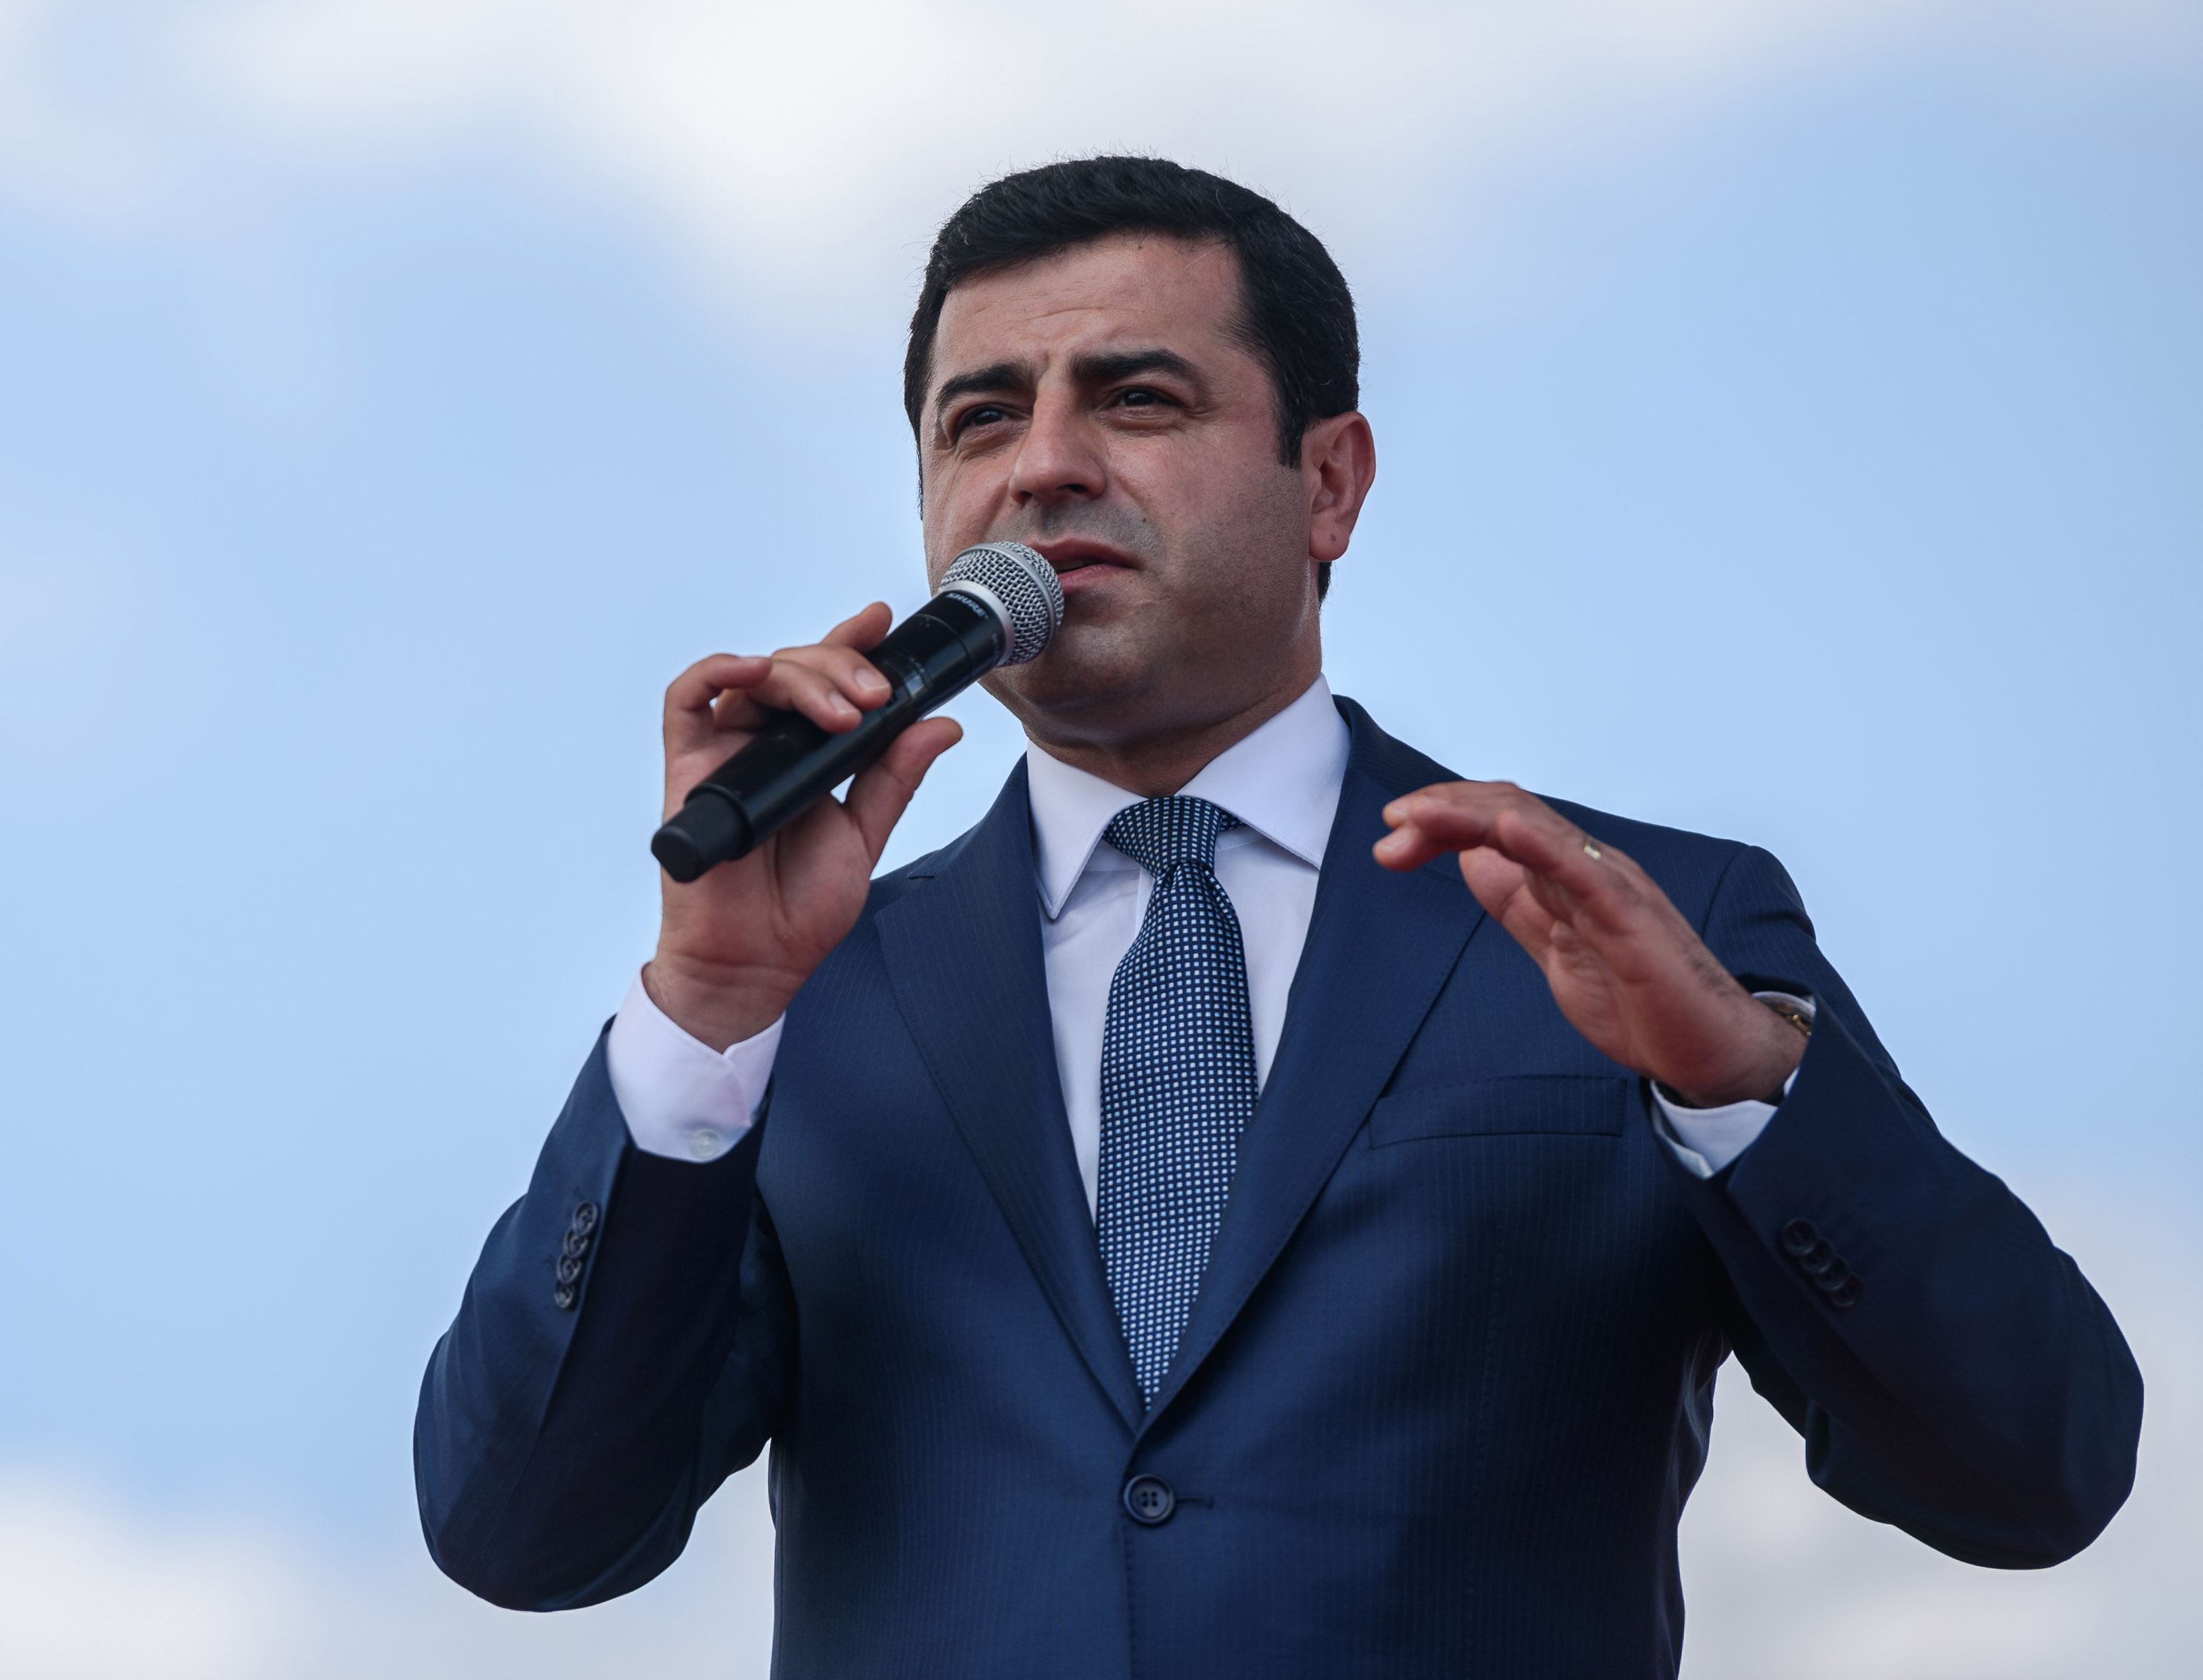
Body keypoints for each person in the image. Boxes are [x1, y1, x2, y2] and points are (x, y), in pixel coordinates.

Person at [411, 157, 2139, 1677]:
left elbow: (2029, 1467)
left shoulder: (1636, 929)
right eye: (979, 417)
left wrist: (1740, 1090)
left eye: (1135, 398)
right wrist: (705, 1011)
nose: (1043, 465)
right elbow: (524, 1531)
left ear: (1328, 483)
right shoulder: (802, 998)